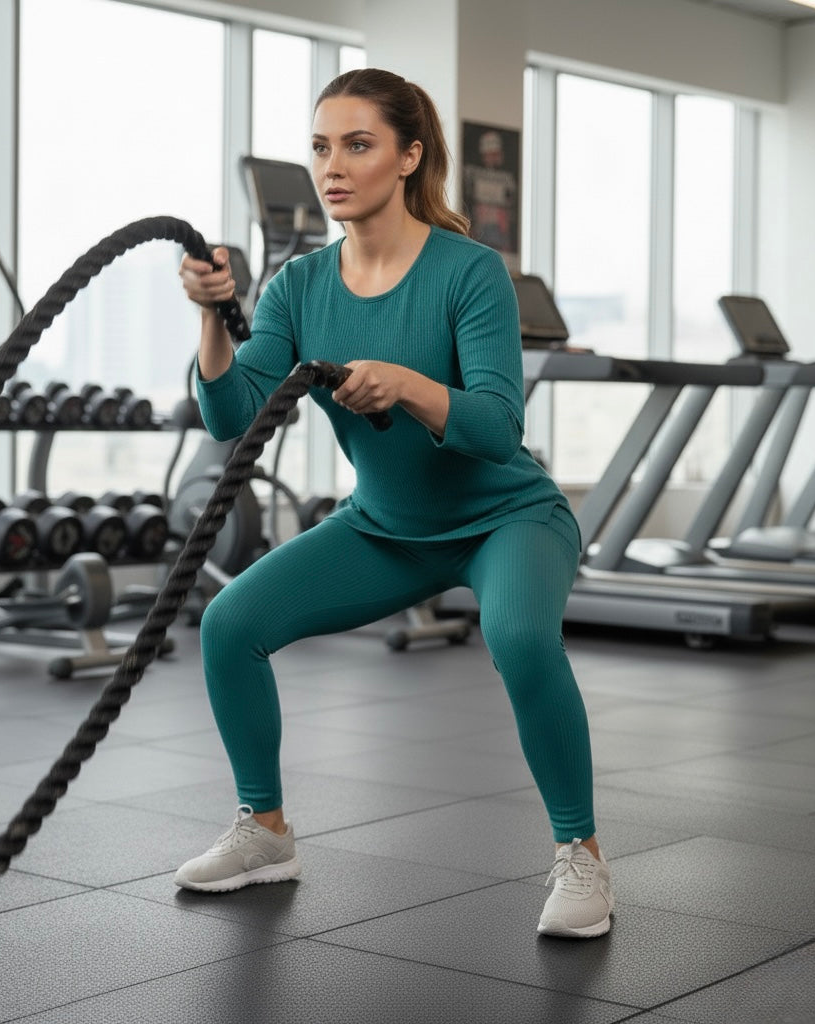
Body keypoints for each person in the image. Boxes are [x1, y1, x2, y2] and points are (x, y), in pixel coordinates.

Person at [174, 67, 614, 939]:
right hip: (386, 526)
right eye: (321, 147)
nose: (333, 166)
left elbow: (495, 427)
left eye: (359, 144)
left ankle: (584, 858)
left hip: (507, 519)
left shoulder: (469, 272)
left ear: (409, 157)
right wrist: (213, 319)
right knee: (229, 623)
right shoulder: (302, 286)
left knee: (521, 637)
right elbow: (231, 415)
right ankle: (264, 832)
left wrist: (410, 385)